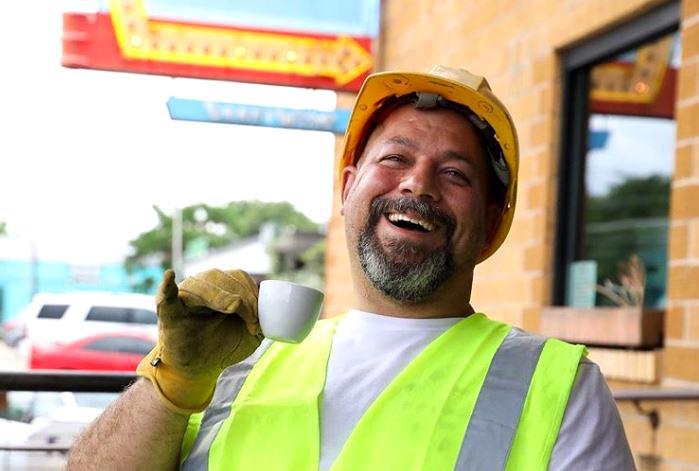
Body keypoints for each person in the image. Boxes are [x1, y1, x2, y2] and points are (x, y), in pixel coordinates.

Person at [67, 65, 635, 470]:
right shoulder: (241, 358)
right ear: (347, 189)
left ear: (489, 224)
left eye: (456, 173)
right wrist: (171, 385)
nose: (418, 183)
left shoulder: (559, 388)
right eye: (394, 158)